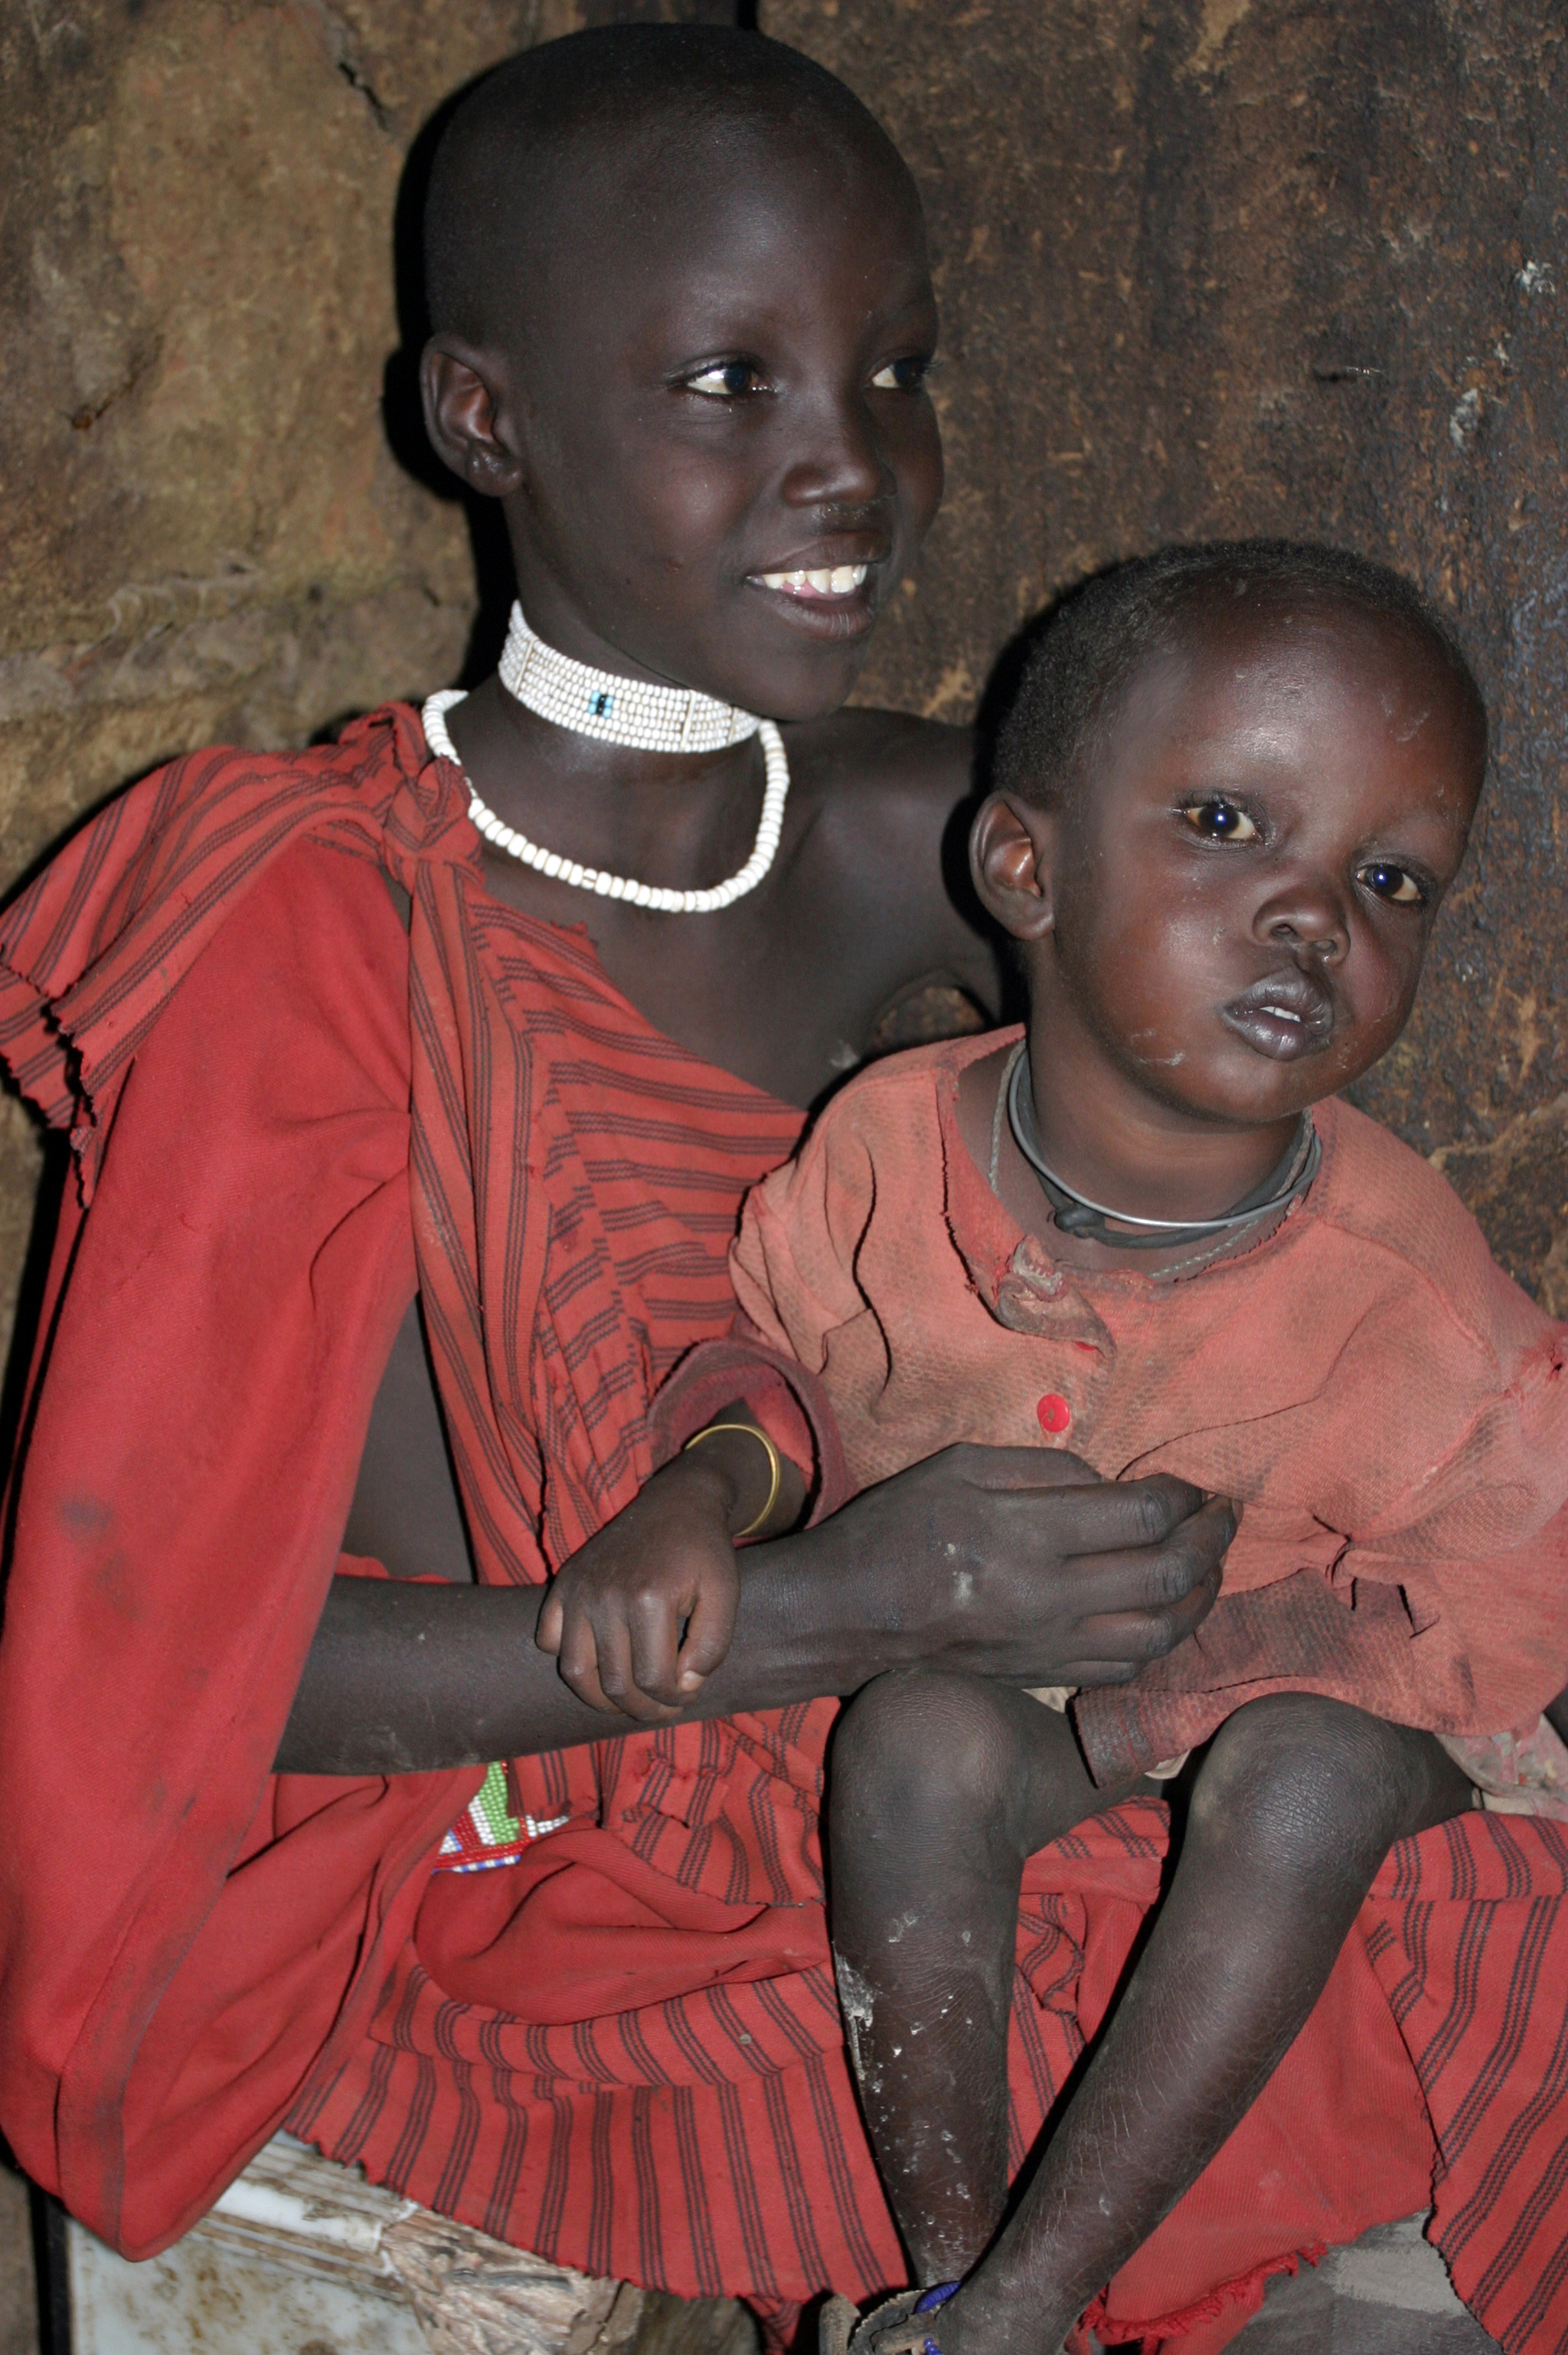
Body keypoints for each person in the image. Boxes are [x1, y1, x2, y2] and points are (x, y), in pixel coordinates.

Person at [0, 26, 1233, 2348]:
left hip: (887, 1789)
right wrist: (839, 1607)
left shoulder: (961, 842)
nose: (845, 465)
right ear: (488, 422)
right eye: (726, 382)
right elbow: (192, 1682)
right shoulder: (315, 927)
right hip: (467, 1859)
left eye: (889, 370)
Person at [549, 543, 1568, 2353]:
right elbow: (768, 1347)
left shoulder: (1402, 1289)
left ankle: (1030, 2294)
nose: (1313, 914)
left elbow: (1500, 1609)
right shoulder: (881, 1147)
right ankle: (953, 2288)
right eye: (1228, 821)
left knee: (1309, 1771)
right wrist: (699, 1496)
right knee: (918, 1737)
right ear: (1026, 864)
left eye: (1387, 877)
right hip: (1015, 1717)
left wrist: (1197, 1680)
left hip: (1319, 1747)